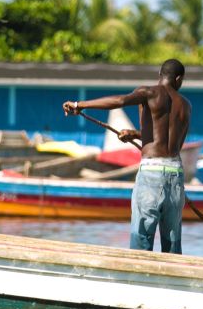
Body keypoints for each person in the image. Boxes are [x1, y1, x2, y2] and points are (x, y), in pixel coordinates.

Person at [62, 59, 191, 254]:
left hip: (151, 174)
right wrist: (135, 134)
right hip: (176, 175)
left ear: (160, 74)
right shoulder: (186, 106)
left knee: (141, 239)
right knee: (172, 244)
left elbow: (120, 101)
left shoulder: (149, 92)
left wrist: (80, 105)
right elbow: (171, 141)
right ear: (179, 79)